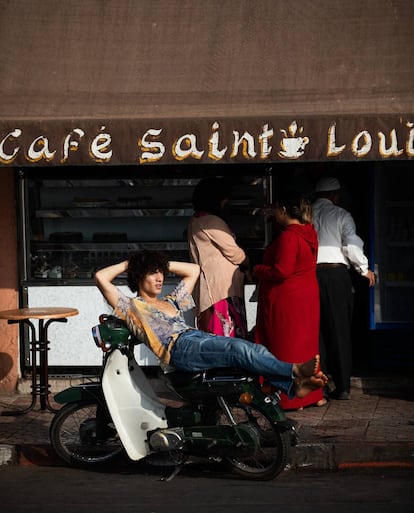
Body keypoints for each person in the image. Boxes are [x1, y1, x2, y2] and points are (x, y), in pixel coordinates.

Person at [94, 249, 328, 401]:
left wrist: (158, 262)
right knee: (238, 350)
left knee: (251, 349)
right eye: (152, 274)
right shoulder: (132, 307)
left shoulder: (170, 301)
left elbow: (193, 270)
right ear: (138, 278)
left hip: (194, 339)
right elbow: (101, 277)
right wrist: (132, 263)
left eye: (161, 273)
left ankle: (292, 388)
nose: (160, 278)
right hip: (178, 350)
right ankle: (294, 370)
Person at [254, 191, 325, 410]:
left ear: (283, 210)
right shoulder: (308, 232)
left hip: (287, 300)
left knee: (285, 346)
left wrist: (257, 269)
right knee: (305, 346)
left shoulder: (289, 236)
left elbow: (281, 271)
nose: (274, 212)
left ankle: (290, 397)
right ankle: (312, 395)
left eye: (275, 208)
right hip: (307, 297)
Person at [312, 176, 376, 400]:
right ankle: (343, 387)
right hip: (336, 275)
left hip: (310, 275)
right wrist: (364, 269)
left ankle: (318, 385)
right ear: (335, 195)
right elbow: (351, 245)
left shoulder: (305, 214)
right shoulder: (341, 214)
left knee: (315, 332)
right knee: (339, 330)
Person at [187, 177, 251, 338]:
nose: (226, 202)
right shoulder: (211, 221)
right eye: (224, 198)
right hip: (220, 291)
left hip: (210, 288)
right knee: (226, 337)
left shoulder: (197, 220)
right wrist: (247, 263)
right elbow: (233, 251)